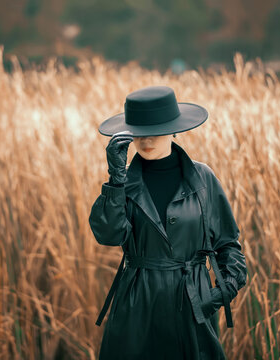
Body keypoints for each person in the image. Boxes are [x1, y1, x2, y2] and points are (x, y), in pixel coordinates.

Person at [88, 86, 247, 359]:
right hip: (136, 305)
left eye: (156, 129)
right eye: (139, 131)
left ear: (174, 129)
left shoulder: (202, 178)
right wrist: (115, 179)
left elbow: (228, 245)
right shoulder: (123, 183)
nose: (146, 139)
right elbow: (109, 235)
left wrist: (216, 295)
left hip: (193, 304)